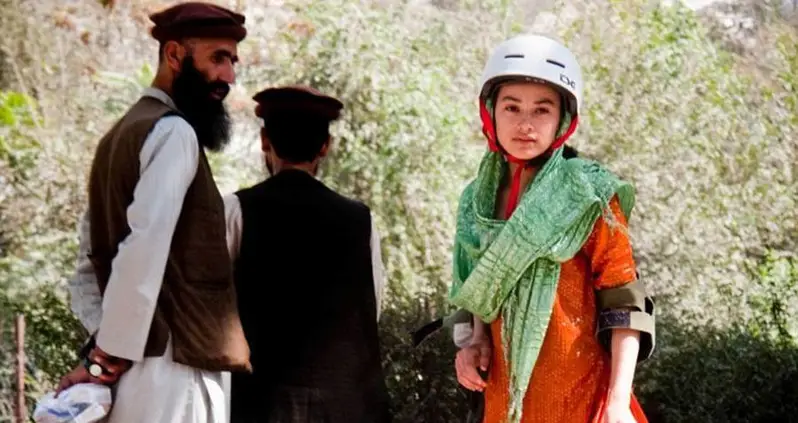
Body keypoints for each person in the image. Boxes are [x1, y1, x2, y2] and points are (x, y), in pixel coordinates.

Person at [57, 2, 251, 422]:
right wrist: (107, 353)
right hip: (174, 371)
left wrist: (102, 352)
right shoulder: (173, 132)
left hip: (134, 368)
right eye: (218, 58)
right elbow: (143, 248)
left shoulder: (119, 136)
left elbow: (88, 262)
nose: (229, 76)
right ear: (175, 54)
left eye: (233, 61)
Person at [447, 34, 656, 423]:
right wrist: (475, 343)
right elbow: (478, 291)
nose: (525, 124)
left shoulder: (589, 195)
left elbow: (624, 304)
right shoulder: (476, 200)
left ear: (564, 119)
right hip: (502, 404)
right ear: (491, 112)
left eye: (542, 110)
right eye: (512, 107)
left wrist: (616, 404)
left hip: (582, 400)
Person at [225, 85, 391, 423]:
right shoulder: (360, 219)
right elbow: (373, 302)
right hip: (344, 404)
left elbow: (214, 299)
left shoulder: (236, 209)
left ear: (264, 141)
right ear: (325, 147)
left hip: (259, 402)